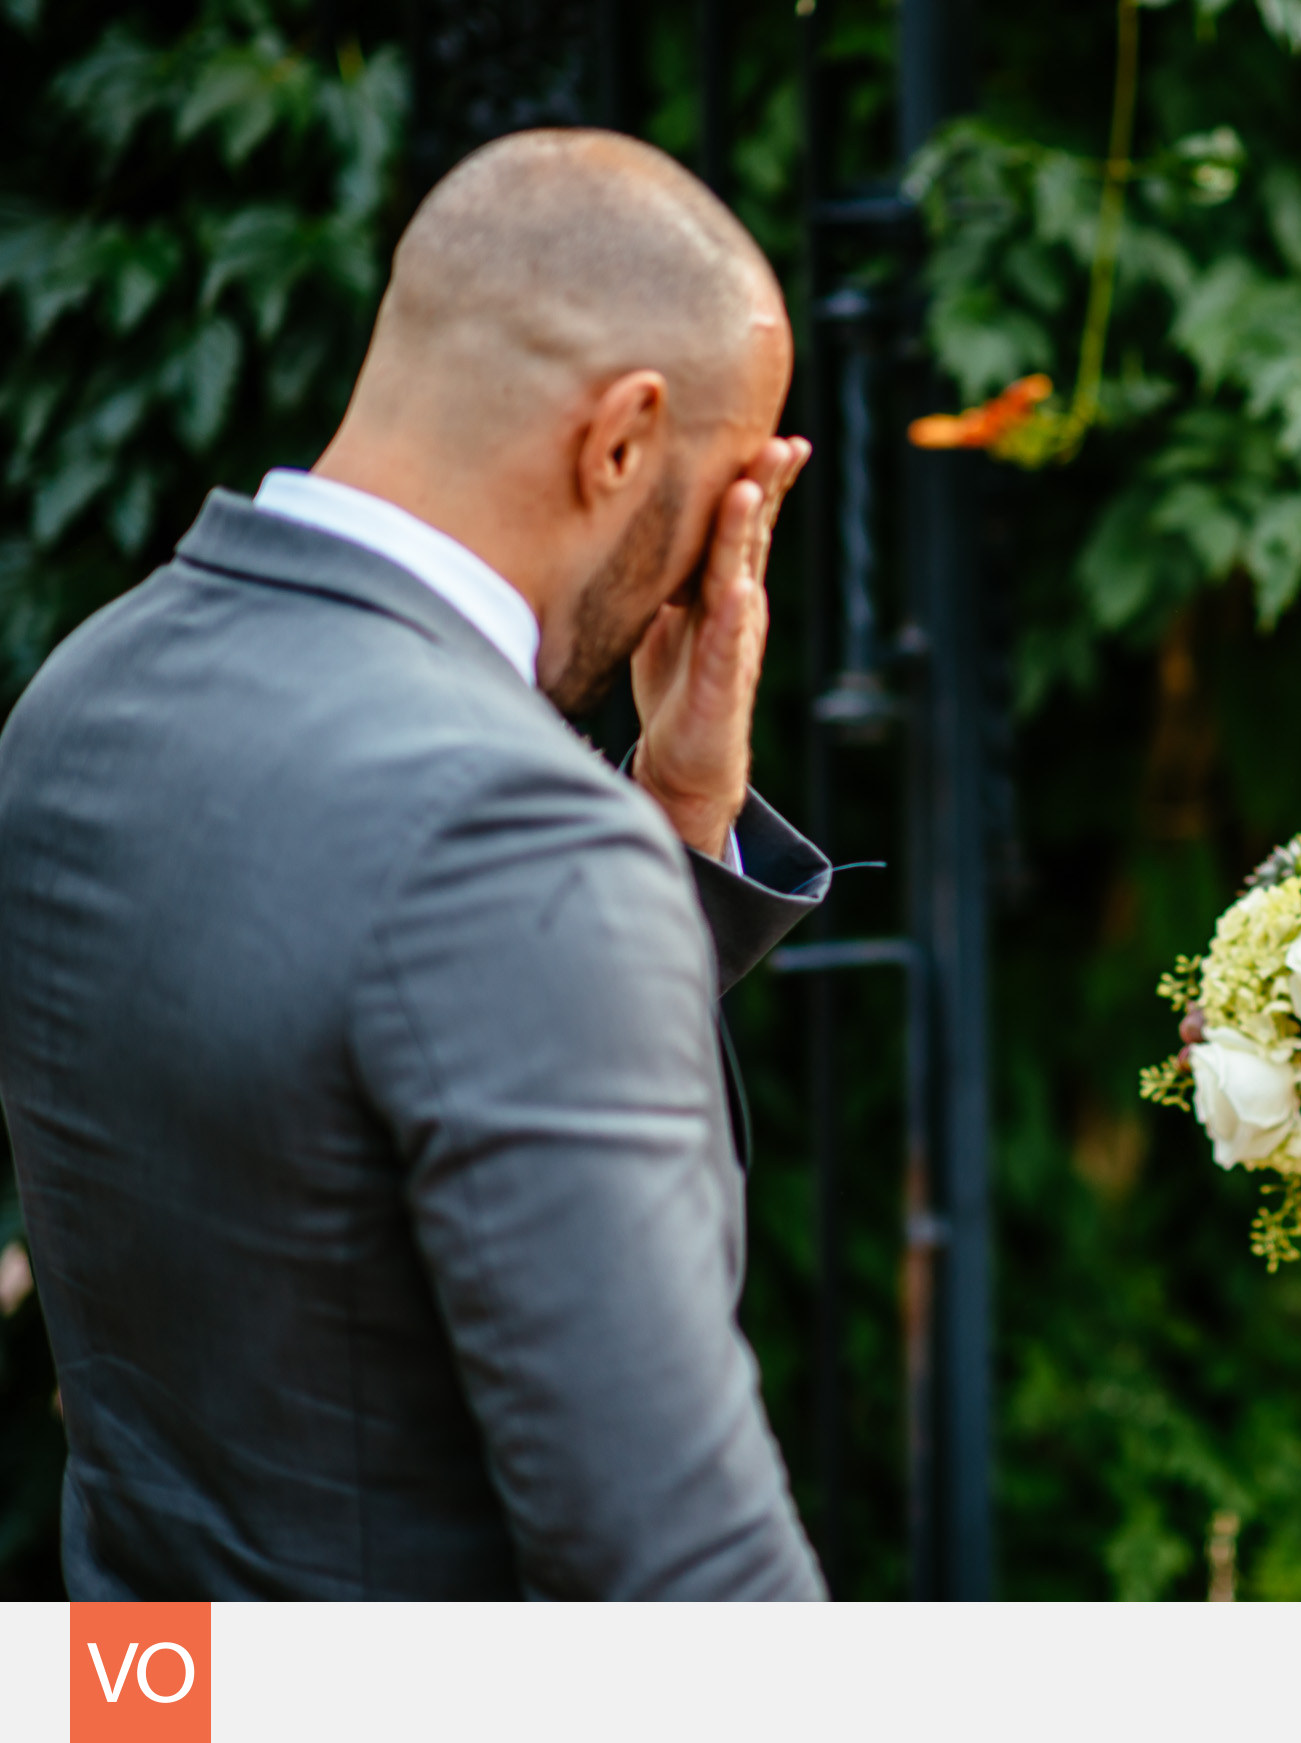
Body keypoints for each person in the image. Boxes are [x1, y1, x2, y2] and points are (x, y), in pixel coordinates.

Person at [0, 130, 832, 1599]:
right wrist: (606, 858)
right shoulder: (512, 838)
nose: (718, 548)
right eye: (725, 485)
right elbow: (685, 1574)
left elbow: (355, 1097)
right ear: (623, 440)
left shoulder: (81, 693)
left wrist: (676, 824)